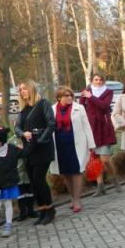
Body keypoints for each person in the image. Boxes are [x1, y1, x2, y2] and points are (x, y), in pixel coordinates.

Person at [15, 79, 56, 226]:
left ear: (31, 89)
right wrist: (23, 134)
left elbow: (51, 124)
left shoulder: (43, 104)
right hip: (29, 150)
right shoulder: (23, 109)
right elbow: (17, 128)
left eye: (24, 88)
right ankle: (42, 210)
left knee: (39, 179)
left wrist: (39, 139)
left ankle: (50, 210)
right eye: (20, 89)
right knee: (33, 182)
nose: (22, 92)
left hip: (42, 148)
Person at [50, 86, 95, 215]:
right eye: (66, 96)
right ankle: (72, 196)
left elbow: (86, 126)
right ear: (59, 98)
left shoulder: (79, 108)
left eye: (71, 95)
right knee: (66, 173)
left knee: (76, 171)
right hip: (60, 145)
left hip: (76, 144)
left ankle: (77, 199)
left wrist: (91, 144)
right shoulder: (52, 109)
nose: (70, 98)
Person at [80, 73, 120, 195]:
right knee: (95, 159)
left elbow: (104, 106)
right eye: (96, 79)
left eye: (101, 79)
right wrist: (85, 96)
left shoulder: (108, 92)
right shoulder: (86, 91)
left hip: (104, 128)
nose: (98, 81)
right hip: (91, 128)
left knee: (105, 159)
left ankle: (115, 181)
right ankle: (100, 186)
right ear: (92, 80)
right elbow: (81, 107)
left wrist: (90, 97)